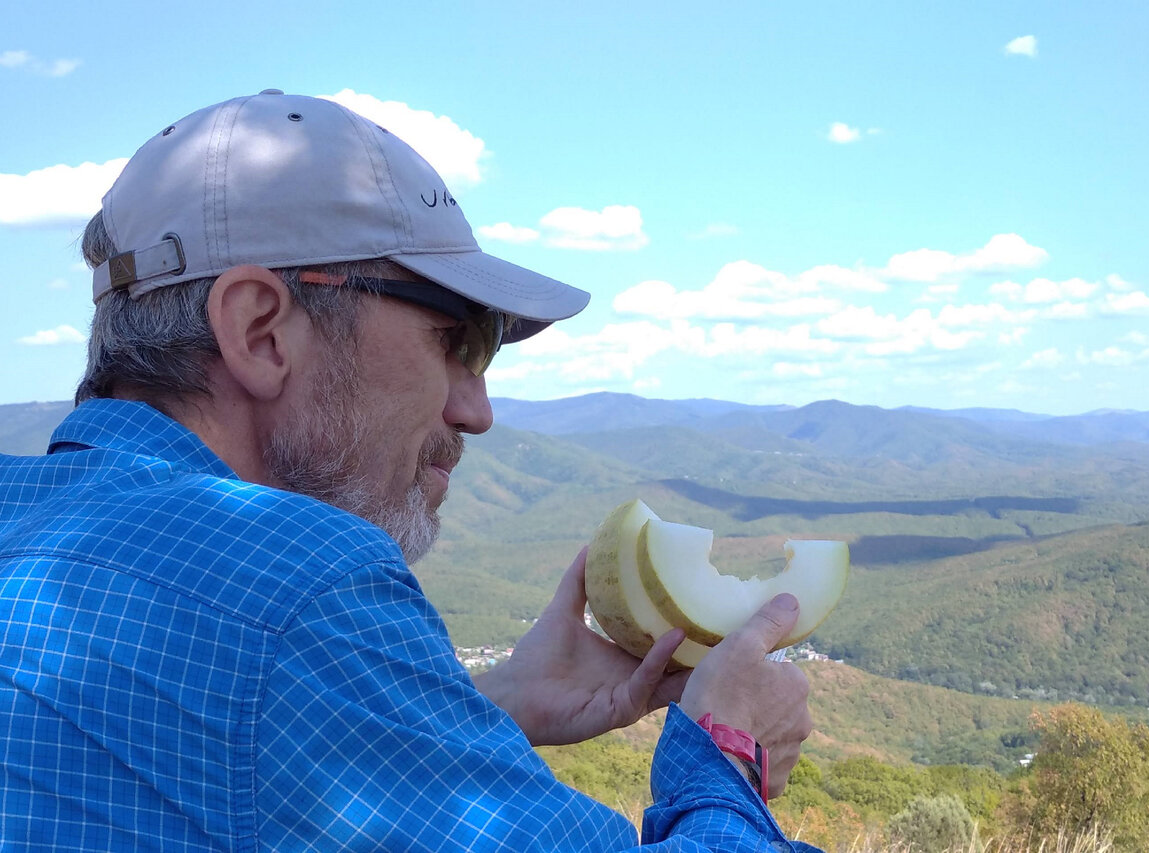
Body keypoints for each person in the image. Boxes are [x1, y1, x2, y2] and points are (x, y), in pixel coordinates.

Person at [0, 90, 819, 852]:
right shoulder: (296, 590)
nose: (477, 408)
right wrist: (725, 750)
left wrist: (483, 708)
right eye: (457, 340)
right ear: (259, 332)